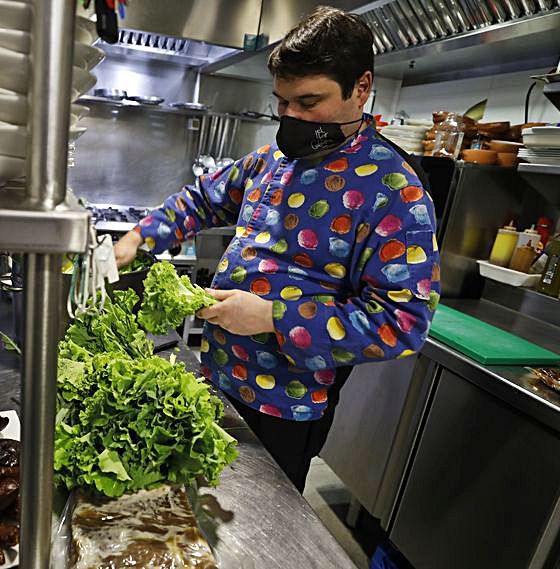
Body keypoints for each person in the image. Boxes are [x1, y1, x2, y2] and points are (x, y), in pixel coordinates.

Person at [115, 6, 441, 493]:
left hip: (286, 410)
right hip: (215, 379)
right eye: (282, 103)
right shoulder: (273, 160)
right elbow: (205, 198)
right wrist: (141, 237)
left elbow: (401, 323)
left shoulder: (397, 192)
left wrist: (273, 317)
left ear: (361, 87)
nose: (291, 118)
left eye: (309, 102)